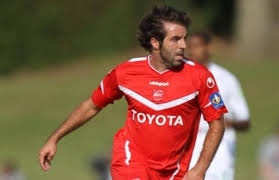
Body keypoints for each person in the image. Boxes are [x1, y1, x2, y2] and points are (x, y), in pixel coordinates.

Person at [39, 6, 227, 180]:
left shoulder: (200, 77)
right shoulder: (125, 72)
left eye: (184, 38)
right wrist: (55, 138)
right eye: (175, 39)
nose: (184, 45)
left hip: (175, 171)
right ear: (155, 42)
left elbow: (217, 123)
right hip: (130, 161)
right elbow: (91, 105)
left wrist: (200, 169)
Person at [187, 32, 250, 180]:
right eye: (190, 46)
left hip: (219, 145)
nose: (192, 51)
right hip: (189, 143)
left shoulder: (226, 79)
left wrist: (224, 123)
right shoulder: (180, 76)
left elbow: (244, 120)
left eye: (197, 46)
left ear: (208, 47)